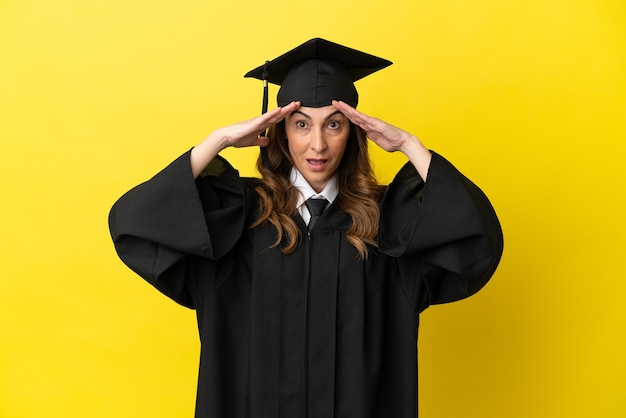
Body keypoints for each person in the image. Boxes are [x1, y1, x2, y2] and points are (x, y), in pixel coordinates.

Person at [109, 38, 503, 418]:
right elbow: (136, 224)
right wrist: (219, 140)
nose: (317, 145)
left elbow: (478, 240)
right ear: (280, 131)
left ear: (353, 133)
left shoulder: (387, 224)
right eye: (301, 124)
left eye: (334, 125)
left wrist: (410, 146)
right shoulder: (239, 217)